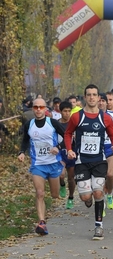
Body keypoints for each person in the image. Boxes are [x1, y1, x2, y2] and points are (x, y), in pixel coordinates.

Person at [64, 84, 113, 240]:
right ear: (85, 97)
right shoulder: (77, 117)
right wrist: (69, 149)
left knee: (98, 192)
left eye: (94, 95)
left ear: (98, 98)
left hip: (99, 160)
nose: (92, 97)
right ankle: (88, 200)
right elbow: (68, 134)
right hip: (82, 161)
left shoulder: (105, 118)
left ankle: (98, 226)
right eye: (89, 95)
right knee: (85, 197)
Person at [17, 98, 65, 235]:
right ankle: (42, 223)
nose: (38, 110)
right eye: (36, 107)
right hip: (38, 164)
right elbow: (25, 140)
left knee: (55, 195)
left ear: (45, 109)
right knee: (40, 193)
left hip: (53, 163)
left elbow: (68, 137)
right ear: (33, 109)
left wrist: (59, 147)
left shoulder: (53, 123)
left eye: (41, 107)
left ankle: (62, 182)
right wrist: (21, 152)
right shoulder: (29, 124)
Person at [58, 101, 76, 209]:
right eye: (65, 111)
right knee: (61, 174)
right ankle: (62, 185)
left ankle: (71, 197)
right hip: (61, 152)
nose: (67, 113)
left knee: (71, 178)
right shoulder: (57, 123)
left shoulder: (73, 123)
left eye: (69, 111)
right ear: (60, 112)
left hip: (71, 152)